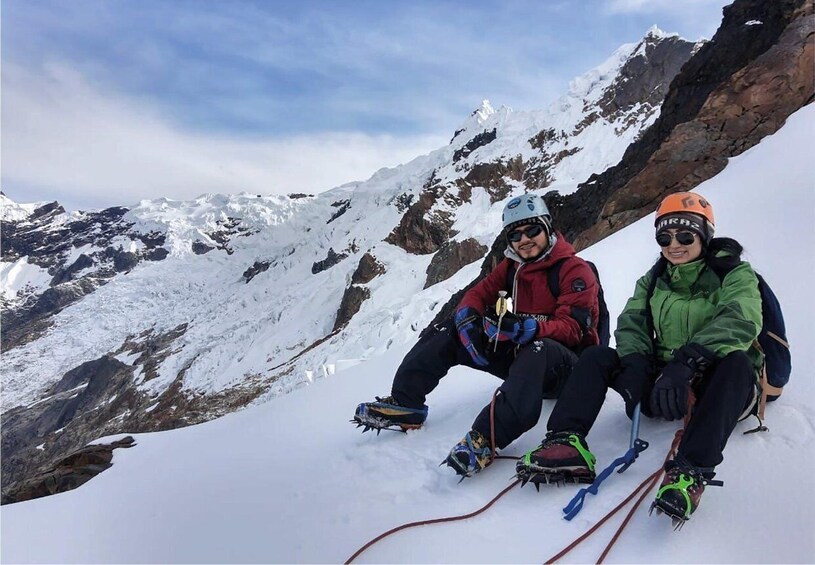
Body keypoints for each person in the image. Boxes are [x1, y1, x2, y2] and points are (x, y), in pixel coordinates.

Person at [516, 191, 762, 525]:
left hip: (720, 383)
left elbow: (741, 318)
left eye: (685, 235)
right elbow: (632, 321)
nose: (674, 244)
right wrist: (636, 363)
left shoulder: (735, 273)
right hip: (665, 382)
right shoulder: (654, 278)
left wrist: (688, 362)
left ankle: (689, 473)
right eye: (664, 236)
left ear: (704, 234)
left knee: (738, 364)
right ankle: (565, 440)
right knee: (597, 356)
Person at [353, 193, 601, 479]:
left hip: (565, 370)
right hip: (524, 362)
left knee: (538, 348)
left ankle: (486, 439)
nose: (524, 239)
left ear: (547, 227)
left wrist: (527, 329)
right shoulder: (512, 267)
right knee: (449, 329)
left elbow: (573, 329)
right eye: (515, 234)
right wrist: (466, 318)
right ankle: (406, 403)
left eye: (532, 230)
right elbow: (478, 293)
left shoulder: (574, 270)